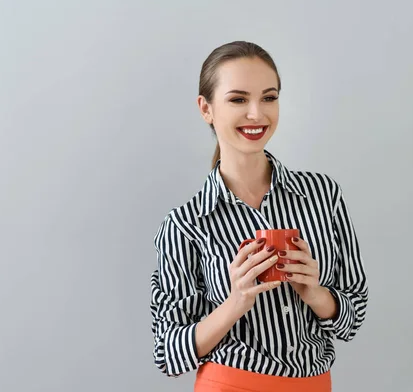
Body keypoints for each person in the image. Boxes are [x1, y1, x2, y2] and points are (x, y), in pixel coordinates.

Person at [149, 41, 368, 392]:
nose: (257, 114)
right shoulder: (185, 224)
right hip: (231, 383)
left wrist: (314, 293)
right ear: (206, 109)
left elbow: (352, 318)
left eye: (269, 97)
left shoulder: (323, 196)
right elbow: (169, 353)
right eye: (238, 99)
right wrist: (236, 302)